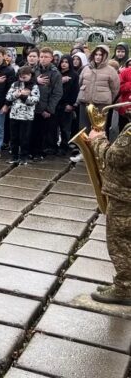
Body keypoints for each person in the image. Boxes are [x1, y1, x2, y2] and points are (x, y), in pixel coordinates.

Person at [88, 120, 131, 305]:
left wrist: (98, 139)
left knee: (120, 242)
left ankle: (124, 289)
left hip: (125, 196)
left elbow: (115, 157)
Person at [76, 45, 120, 137]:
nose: (98, 57)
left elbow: (115, 89)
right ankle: (85, 151)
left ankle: (97, 151)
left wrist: (105, 98)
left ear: (105, 56)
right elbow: (80, 83)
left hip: (101, 105)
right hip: (85, 104)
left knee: (98, 131)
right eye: (96, 54)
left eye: (101, 55)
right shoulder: (86, 69)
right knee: (84, 130)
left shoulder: (111, 71)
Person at [30, 47, 63, 161]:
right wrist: (36, 81)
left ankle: (40, 152)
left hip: (44, 108)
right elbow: (26, 81)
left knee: (42, 132)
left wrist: (49, 109)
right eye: (42, 57)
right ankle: (31, 151)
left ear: (51, 58)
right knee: (32, 131)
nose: (43, 59)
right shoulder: (34, 70)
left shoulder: (55, 73)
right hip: (32, 106)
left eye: (46, 57)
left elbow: (57, 93)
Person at [4, 66, 40, 165]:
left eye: (24, 77)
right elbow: (8, 97)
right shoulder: (15, 84)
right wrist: (17, 94)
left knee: (24, 137)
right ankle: (14, 156)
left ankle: (24, 157)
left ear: (30, 75)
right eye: (21, 77)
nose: (22, 79)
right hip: (14, 115)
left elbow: (35, 100)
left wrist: (24, 96)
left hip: (26, 117)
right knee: (14, 137)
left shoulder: (34, 86)